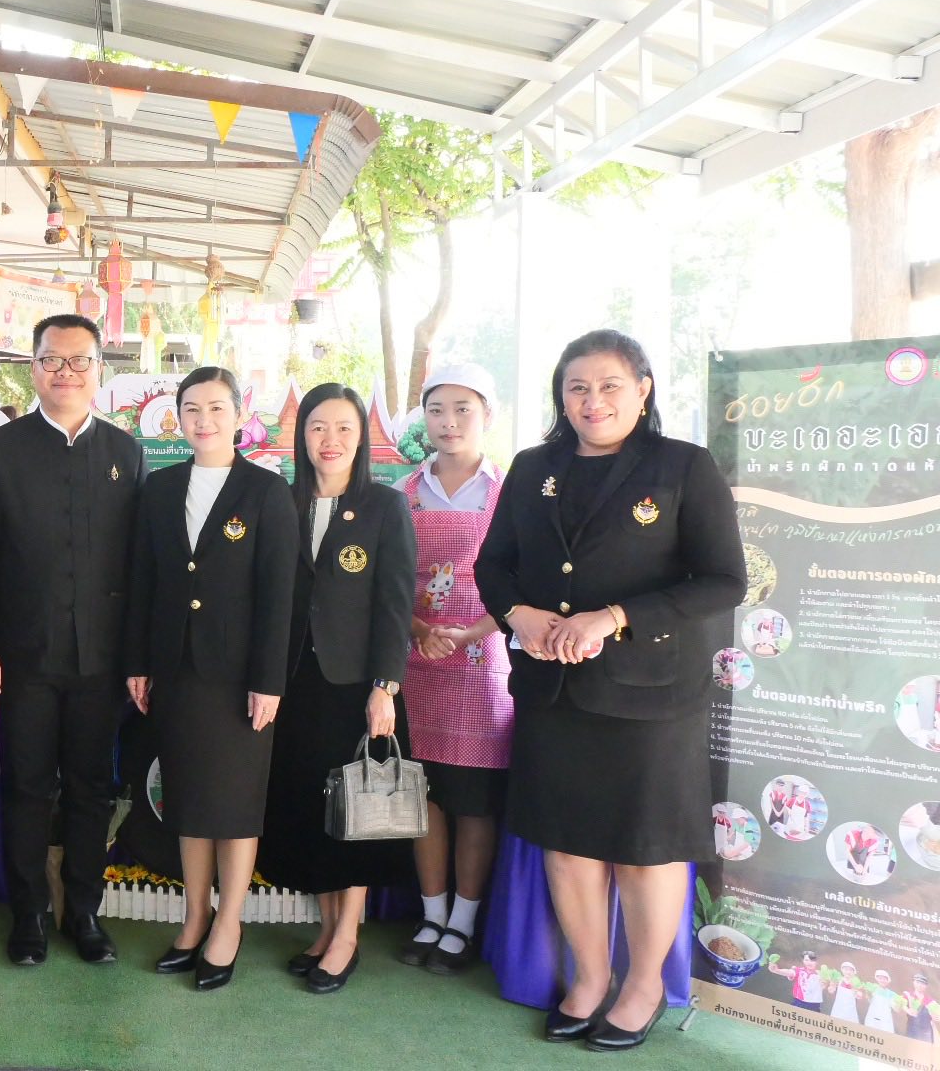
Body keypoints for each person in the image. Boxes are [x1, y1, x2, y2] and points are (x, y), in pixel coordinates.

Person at [477, 329, 745, 1052]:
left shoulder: (682, 466)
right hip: (554, 692)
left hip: (651, 697)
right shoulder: (533, 467)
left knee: (644, 849)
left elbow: (725, 581)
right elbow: (493, 565)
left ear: (643, 390)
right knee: (567, 848)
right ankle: (590, 978)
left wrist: (617, 616)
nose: (592, 401)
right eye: (577, 388)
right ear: (561, 396)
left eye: (609, 386)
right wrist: (517, 612)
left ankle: (643, 987)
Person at [0, 314, 145, 966]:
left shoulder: (125, 452)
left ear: (99, 371)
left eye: (79, 360)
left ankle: (84, 911)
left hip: (102, 660)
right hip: (20, 658)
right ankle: (29, 913)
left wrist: (139, 657)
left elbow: (139, 566)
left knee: (92, 788)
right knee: (27, 787)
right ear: (33, 369)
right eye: (52, 360)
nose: (66, 372)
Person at [124, 366, 297, 991]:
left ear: (240, 414)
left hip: (240, 678)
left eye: (217, 408)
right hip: (176, 669)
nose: (204, 420)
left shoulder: (266, 491)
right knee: (188, 799)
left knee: (235, 803)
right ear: (178, 417)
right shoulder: (162, 486)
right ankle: (194, 917)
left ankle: (229, 923)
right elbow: (144, 579)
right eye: (192, 408)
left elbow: (279, 595)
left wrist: (269, 679)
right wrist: (138, 662)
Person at [259, 382, 416, 995]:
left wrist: (385, 686)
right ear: (301, 435)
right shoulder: (282, 501)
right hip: (292, 683)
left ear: (361, 437)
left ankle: (347, 936)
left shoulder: (384, 506)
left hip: (353, 685)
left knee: (354, 812)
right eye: (318, 427)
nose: (331, 439)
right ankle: (325, 929)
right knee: (311, 808)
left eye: (344, 427)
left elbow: (395, 605)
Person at [394, 363, 511, 976]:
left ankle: (463, 923)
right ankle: (431, 914)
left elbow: (524, 582)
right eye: (436, 409)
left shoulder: (509, 492)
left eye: (463, 409)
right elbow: (388, 581)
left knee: (473, 801)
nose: (448, 422)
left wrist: (472, 632)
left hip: (482, 661)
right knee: (425, 797)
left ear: (487, 414)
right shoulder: (403, 491)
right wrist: (420, 631)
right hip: (416, 659)